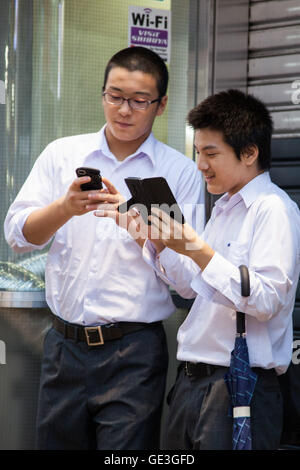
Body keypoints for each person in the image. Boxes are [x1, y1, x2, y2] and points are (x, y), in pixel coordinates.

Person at [4, 46, 204, 450]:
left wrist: (149, 238)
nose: (124, 109)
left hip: (134, 352)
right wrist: (65, 207)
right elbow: (17, 235)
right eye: (115, 95)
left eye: (139, 100)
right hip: (63, 345)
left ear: (161, 105)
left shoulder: (178, 172)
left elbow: (190, 285)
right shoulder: (63, 154)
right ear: (103, 94)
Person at [100, 89, 300, 450]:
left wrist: (194, 246)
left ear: (250, 153)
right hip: (192, 384)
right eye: (197, 153)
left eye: (211, 153)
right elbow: (192, 288)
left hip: (239, 388)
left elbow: (268, 298)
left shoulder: (273, 209)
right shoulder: (223, 208)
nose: (200, 165)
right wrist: (153, 239)